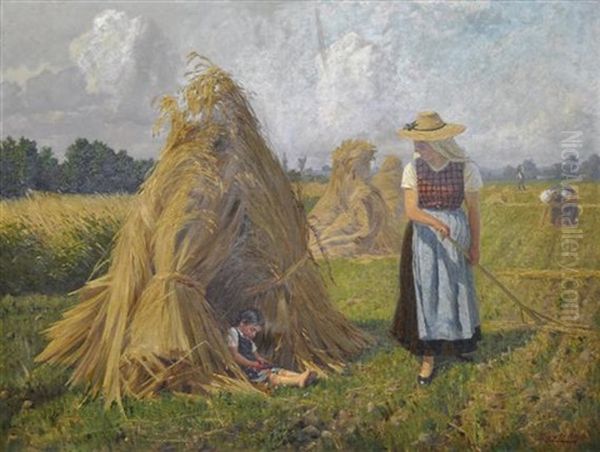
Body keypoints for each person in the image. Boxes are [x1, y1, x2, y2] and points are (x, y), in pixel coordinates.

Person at [390, 111, 483, 385]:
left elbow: (474, 211)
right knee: (429, 292)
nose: (417, 147)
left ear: (440, 142)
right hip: (425, 238)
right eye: (416, 141)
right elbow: (411, 210)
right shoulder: (413, 169)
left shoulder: (465, 168)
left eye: (422, 142)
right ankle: (428, 357)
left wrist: (475, 246)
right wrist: (435, 223)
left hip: (456, 235)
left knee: (455, 290)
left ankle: (454, 345)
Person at [227, 309, 317, 388]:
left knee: (279, 371)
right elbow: (235, 355)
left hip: (254, 366)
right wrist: (252, 364)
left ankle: (302, 376)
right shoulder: (233, 332)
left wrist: (262, 361)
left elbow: (256, 356)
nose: (253, 334)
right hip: (246, 370)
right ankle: (297, 381)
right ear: (243, 323)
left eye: (255, 332)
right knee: (271, 377)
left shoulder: (248, 339)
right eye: (252, 329)